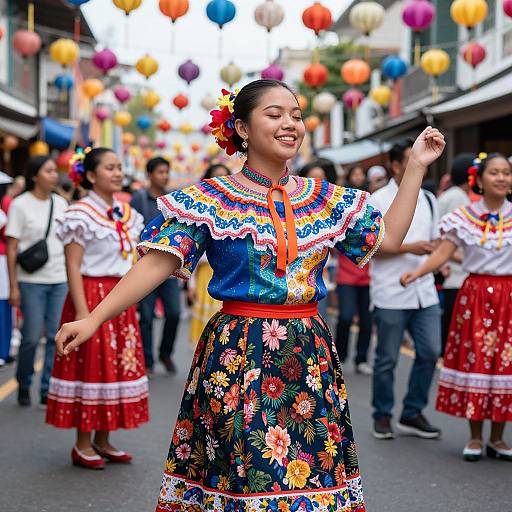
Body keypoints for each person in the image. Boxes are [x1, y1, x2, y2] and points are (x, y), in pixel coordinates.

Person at [54, 80, 444, 509]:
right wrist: (93, 317)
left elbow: (385, 241)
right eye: (274, 114)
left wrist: (416, 168)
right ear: (240, 127)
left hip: (308, 352)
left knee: (309, 475)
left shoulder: (326, 199)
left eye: (295, 114)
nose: (289, 124)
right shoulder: (209, 199)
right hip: (238, 351)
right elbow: (156, 263)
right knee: (245, 474)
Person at [401, 153, 512, 462]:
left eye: (506, 173)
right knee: (476, 363)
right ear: (480, 178)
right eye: (495, 173)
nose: (502, 178)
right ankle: (476, 438)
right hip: (475, 296)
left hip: (509, 299)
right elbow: (442, 253)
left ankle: (499, 439)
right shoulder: (464, 217)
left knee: (505, 364)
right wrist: (418, 273)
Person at [45, 147, 148, 470]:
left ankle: (104, 440)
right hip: (89, 295)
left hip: (119, 298)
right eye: (109, 168)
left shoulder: (129, 213)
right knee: (90, 366)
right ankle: (82, 443)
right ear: (90, 175)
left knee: (116, 367)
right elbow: (73, 265)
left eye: (119, 167)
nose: (117, 173)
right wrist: (82, 312)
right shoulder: (79, 214)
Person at [369, 138, 442, 440]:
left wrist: (439, 259)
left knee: (430, 352)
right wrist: (410, 247)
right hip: (390, 291)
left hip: (424, 289)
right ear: (396, 165)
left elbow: (436, 241)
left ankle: (412, 412)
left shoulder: (428, 198)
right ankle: (382, 414)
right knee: (387, 359)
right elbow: (371, 248)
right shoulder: (377, 199)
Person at [5, 156, 68, 406]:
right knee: (30, 336)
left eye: (55, 170)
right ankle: (24, 381)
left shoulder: (61, 203)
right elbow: (12, 248)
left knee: (56, 335)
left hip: (59, 279)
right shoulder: (20, 205)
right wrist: (13, 286)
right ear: (34, 176)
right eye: (49, 170)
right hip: (30, 281)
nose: (54, 175)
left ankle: (46, 389)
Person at [131, 157, 180, 373]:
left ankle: (165, 353)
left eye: (166, 171)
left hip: (168, 269)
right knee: (147, 317)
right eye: (160, 171)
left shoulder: (173, 200)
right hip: (144, 267)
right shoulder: (139, 199)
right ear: (149, 174)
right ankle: (148, 361)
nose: (164, 176)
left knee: (174, 313)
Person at [336, 164, 373, 375]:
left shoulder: (371, 203)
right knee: (346, 317)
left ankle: (361, 359)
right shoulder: (342, 205)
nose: (359, 176)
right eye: (355, 173)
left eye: (361, 172)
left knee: (367, 321)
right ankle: (339, 357)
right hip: (346, 275)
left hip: (368, 276)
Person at [436, 153, 475, 352]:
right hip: (455, 272)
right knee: (453, 323)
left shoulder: (452, 196)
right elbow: (448, 241)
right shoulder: (457, 199)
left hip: (454, 269)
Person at [187, 163, 229, 346]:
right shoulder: (200, 213)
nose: (220, 183)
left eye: (224, 178)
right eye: (215, 178)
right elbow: (192, 252)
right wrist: (191, 283)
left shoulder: (239, 212)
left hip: (229, 278)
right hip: (205, 277)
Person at [0, 174, 13, 369]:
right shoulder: (5, 209)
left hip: (3, 260)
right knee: (3, 307)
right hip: (2, 261)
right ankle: (2, 351)